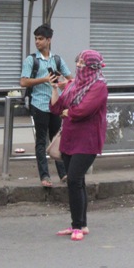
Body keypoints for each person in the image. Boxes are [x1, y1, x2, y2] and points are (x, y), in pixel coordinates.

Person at [50, 49, 108, 241]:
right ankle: (81, 224)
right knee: (78, 182)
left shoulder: (99, 86)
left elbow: (84, 110)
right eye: (78, 62)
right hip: (69, 137)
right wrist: (55, 88)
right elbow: (57, 108)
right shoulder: (73, 85)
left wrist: (69, 113)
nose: (79, 66)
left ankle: (77, 226)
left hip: (88, 140)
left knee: (74, 180)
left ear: (92, 66)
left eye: (83, 63)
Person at [19, 24, 72, 187]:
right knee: (41, 141)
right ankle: (45, 176)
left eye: (41, 39)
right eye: (36, 39)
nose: (37, 42)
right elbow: (23, 81)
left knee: (57, 138)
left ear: (49, 40)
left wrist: (64, 83)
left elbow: (71, 79)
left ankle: (63, 174)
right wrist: (45, 79)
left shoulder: (57, 59)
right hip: (39, 104)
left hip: (56, 105)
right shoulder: (31, 60)